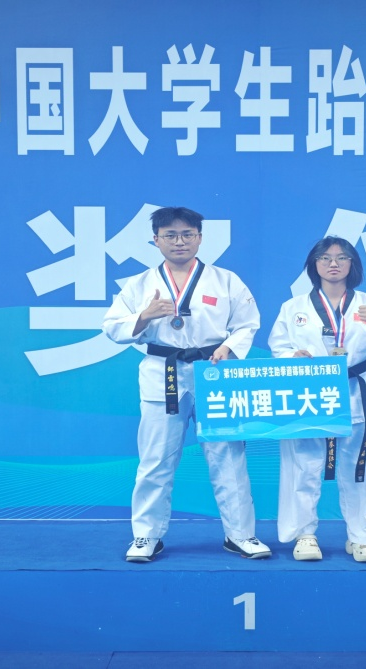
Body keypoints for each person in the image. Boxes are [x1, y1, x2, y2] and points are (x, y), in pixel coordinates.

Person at [102, 206, 271, 563]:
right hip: (162, 371)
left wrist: (230, 347)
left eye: (187, 234)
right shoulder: (139, 284)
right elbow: (112, 328)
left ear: (199, 238)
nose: (179, 241)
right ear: (156, 240)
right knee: (155, 459)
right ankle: (146, 535)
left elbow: (248, 323)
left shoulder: (226, 280)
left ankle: (241, 534)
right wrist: (144, 316)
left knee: (228, 456)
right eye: (170, 235)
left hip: (215, 371)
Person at [268, 236, 366, 562]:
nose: (333, 263)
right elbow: (278, 346)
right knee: (303, 464)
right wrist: (292, 356)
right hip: (309, 392)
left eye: (342, 257)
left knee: (361, 464)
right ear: (313, 264)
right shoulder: (294, 307)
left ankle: (364, 538)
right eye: (325, 257)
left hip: (357, 388)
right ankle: (304, 535)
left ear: (352, 264)